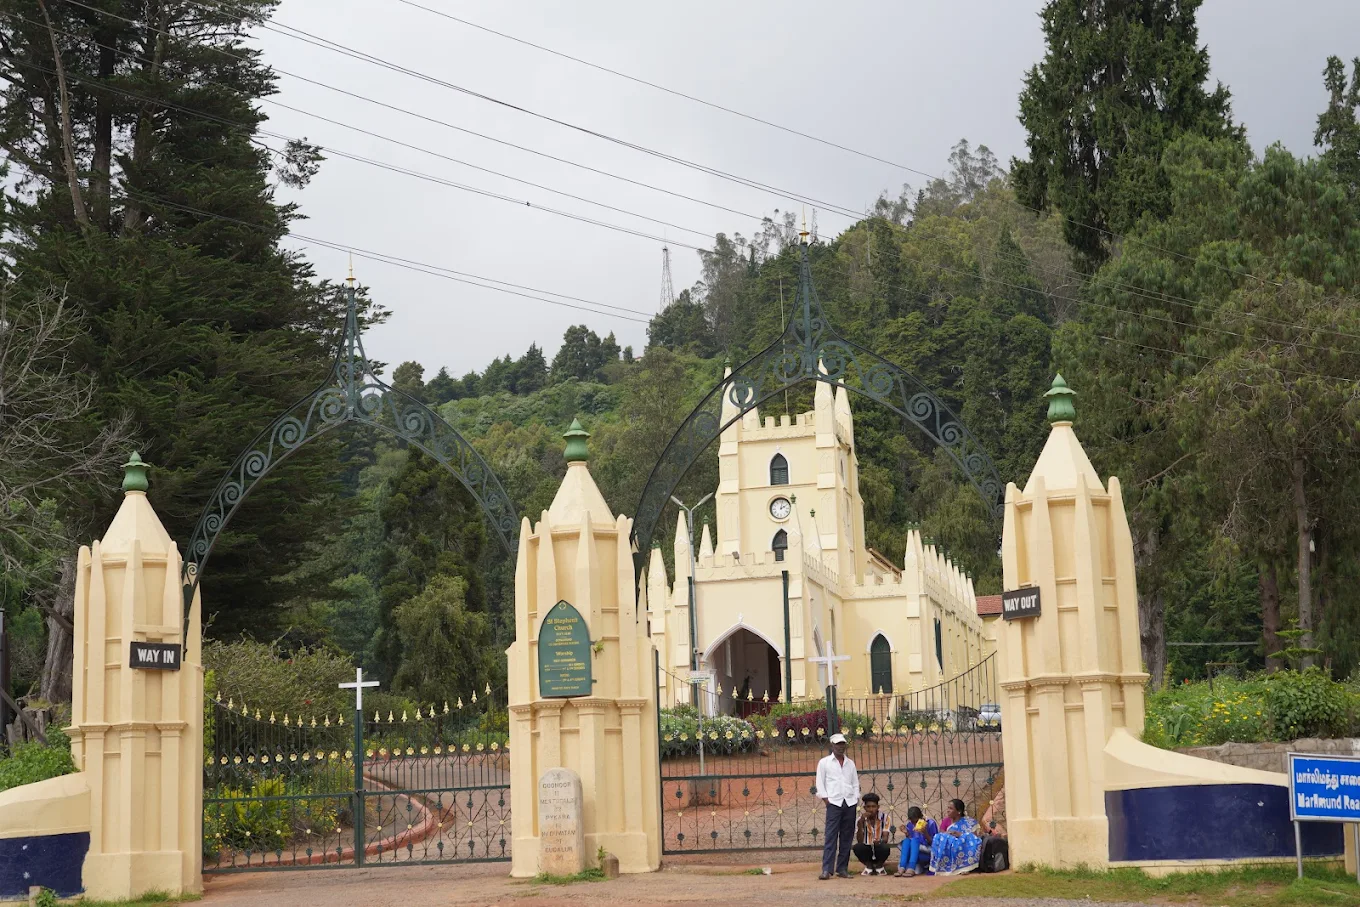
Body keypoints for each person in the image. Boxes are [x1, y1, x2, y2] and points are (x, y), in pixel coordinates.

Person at [815, 732, 860, 880]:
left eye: (843, 744)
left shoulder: (850, 763)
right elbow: (820, 783)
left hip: (849, 803)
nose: (841, 747)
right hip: (834, 803)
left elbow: (855, 783)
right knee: (831, 836)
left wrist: (855, 798)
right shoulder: (824, 763)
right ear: (832, 745)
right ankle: (827, 869)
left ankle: (842, 868)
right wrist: (826, 800)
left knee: (847, 837)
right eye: (838, 744)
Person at [929, 798, 983, 876]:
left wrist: (961, 834)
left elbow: (974, 838)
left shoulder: (969, 822)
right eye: (948, 808)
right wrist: (949, 834)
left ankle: (965, 868)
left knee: (962, 841)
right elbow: (941, 835)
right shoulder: (946, 821)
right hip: (950, 845)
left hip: (962, 845)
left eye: (950, 808)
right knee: (941, 838)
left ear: (959, 811)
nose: (948, 810)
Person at [851, 792, 892, 875]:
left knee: (885, 848)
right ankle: (869, 866)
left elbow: (885, 838)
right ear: (864, 808)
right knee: (857, 847)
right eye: (868, 807)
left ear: (878, 807)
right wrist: (860, 824)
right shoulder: (860, 820)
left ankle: (879, 866)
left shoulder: (885, 818)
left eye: (873, 806)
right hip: (867, 849)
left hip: (879, 848)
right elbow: (860, 841)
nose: (871, 809)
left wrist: (879, 842)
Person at [897, 806, 937, 878]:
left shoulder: (930, 823)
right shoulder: (910, 824)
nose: (914, 823)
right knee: (906, 841)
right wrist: (907, 833)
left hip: (927, 852)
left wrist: (925, 833)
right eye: (912, 821)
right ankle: (902, 867)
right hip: (915, 852)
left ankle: (911, 867)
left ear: (920, 817)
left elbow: (934, 844)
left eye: (916, 821)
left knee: (914, 841)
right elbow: (910, 841)